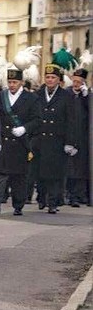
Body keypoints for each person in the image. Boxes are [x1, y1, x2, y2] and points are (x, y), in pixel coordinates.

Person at [0, 68, 41, 215]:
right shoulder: (0, 97)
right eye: (9, 82)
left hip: (20, 143)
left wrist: (25, 128)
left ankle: (18, 204)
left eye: (15, 82)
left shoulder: (31, 98)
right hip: (3, 141)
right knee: (0, 173)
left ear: (21, 82)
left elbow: (37, 119)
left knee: (19, 176)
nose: (11, 85)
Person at [32, 63, 78, 213]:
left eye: (53, 77)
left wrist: (70, 142)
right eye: (47, 77)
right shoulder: (38, 95)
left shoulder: (66, 96)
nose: (50, 80)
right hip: (40, 140)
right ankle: (41, 197)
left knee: (55, 174)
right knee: (40, 172)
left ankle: (52, 202)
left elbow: (71, 120)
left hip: (57, 140)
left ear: (59, 80)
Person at [66, 69, 89, 207]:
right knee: (68, 167)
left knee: (81, 168)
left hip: (83, 137)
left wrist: (87, 97)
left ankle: (78, 195)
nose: (76, 84)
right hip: (68, 136)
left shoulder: (86, 95)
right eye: (74, 81)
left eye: (79, 82)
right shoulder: (66, 94)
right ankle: (68, 194)